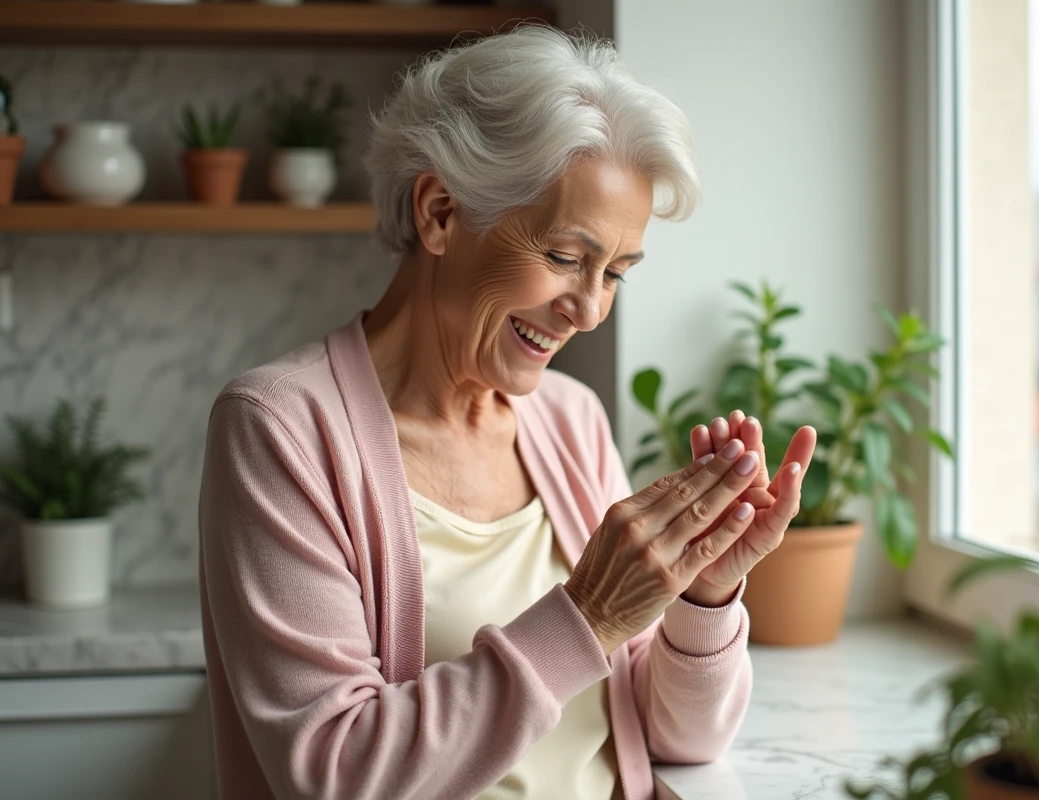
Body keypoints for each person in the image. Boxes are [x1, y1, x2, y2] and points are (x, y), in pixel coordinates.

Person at [198, 25, 816, 800]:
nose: (589, 310)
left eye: (616, 272)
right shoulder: (279, 428)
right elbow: (336, 773)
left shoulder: (570, 419)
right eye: (563, 257)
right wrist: (587, 615)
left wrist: (704, 595)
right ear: (441, 212)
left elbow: (680, 737)